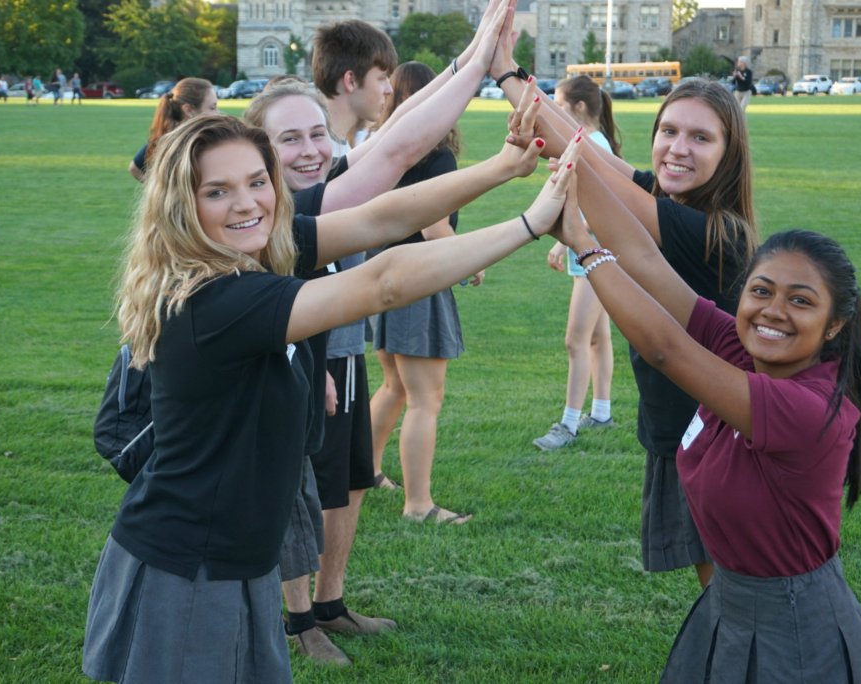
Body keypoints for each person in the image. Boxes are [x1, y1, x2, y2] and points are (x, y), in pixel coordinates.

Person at [82, 113, 578, 684]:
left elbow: (379, 218)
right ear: (179, 207)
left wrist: (502, 168)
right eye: (217, 191)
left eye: (257, 181)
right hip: (190, 571)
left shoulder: (254, 252)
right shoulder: (217, 299)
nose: (248, 204)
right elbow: (381, 283)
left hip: (229, 559)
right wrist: (530, 222)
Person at [549, 129, 861, 679]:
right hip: (728, 605)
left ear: (836, 324)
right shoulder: (741, 348)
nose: (773, 311)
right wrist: (554, 151)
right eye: (761, 291)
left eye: (801, 301)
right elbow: (646, 261)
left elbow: (664, 348)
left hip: (794, 631)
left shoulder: (806, 407)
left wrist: (584, 245)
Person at [240, 0, 511, 663]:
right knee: (300, 489)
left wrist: (472, 61)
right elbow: (398, 153)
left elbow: (399, 139)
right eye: (384, 77)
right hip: (301, 353)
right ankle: (297, 618)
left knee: (349, 479)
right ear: (353, 80)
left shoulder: (340, 149)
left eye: (311, 137)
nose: (392, 90)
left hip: (342, 345)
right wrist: (479, 63)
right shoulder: (285, 202)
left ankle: (327, 605)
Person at [501, 67, 759, 588]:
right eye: (669, 132)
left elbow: (585, 166)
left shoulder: (714, 231)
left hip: (718, 441)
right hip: (678, 430)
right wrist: (506, 70)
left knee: (735, 598)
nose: (678, 149)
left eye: (700, 137)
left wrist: (549, 136)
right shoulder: (668, 199)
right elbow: (588, 151)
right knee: (721, 596)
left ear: (728, 154)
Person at [368, 60, 480, 523]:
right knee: (424, 399)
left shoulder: (381, 149)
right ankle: (418, 505)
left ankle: (367, 472)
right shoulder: (437, 158)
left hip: (381, 280)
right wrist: (470, 260)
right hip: (418, 281)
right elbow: (434, 227)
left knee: (394, 386)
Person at [533, 74, 619, 450]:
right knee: (598, 336)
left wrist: (565, 238)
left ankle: (568, 425)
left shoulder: (594, 145)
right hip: (589, 250)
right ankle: (601, 412)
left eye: (559, 102)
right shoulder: (586, 141)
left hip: (595, 252)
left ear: (580, 108)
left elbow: (606, 206)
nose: (552, 108)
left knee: (576, 340)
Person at [128, 77, 217, 182]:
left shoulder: (168, 137)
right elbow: (135, 169)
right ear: (188, 110)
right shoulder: (175, 142)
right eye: (212, 108)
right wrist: (160, 191)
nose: (218, 113)